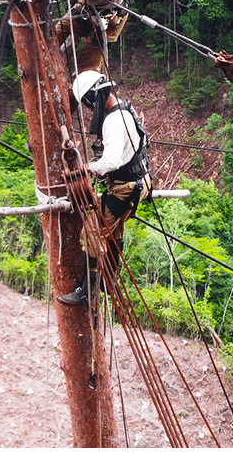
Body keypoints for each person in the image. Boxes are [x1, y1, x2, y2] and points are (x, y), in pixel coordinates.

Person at [57, 70, 151, 309]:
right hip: (136, 183)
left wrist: (88, 168)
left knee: (91, 232)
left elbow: (111, 162)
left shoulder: (114, 121)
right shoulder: (124, 109)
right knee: (114, 230)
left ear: (91, 99)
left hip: (126, 186)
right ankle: (108, 282)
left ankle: (87, 292)